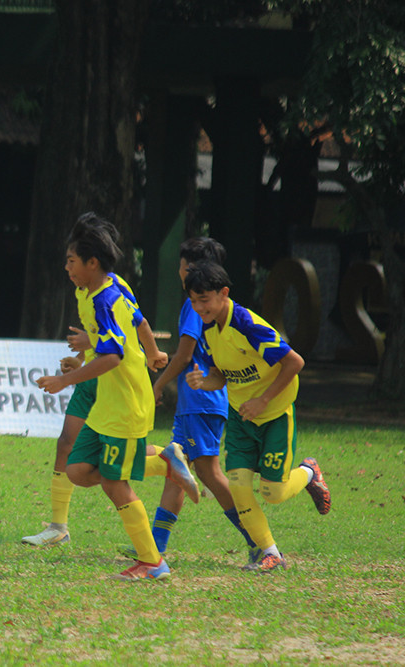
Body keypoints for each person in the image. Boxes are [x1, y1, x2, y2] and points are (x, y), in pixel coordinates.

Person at [35, 214, 194, 580]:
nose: (67, 267)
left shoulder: (107, 297)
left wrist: (67, 379)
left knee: (112, 482)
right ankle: (166, 461)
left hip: (125, 402)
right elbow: (135, 324)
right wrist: (150, 352)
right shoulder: (92, 289)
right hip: (107, 401)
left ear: (92, 263)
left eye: (72, 261)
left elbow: (113, 355)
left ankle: (152, 562)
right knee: (77, 469)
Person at [120, 238, 259, 564]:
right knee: (176, 469)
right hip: (195, 402)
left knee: (210, 474)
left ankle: (258, 540)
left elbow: (183, 356)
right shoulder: (202, 301)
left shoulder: (196, 303)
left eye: (183, 266)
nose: (180, 271)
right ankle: (155, 544)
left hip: (202, 400)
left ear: (195, 268)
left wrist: (159, 384)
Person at [185, 260, 330, 572]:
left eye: (204, 299)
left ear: (224, 293)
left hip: (275, 413)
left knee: (273, 492)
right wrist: (203, 381)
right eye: (193, 301)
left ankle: (308, 472)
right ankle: (271, 553)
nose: (199, 307)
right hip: (241, 417)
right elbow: (220, 376)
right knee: (238, 487)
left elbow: (295, 362)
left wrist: (263, 401)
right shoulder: (208, 330)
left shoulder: (246, 324)